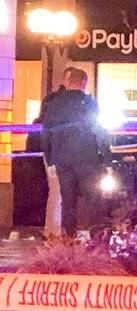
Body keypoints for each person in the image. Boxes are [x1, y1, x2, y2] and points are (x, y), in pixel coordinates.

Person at [38, 67, 108, 236]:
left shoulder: (54, 104)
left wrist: (49, 158)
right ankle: (96, 238)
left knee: (67, 202)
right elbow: (99, 131)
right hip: (88, 159)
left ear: (67, 82)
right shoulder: (90, 103)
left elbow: (46, 132)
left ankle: (69, 238)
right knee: (93, 200)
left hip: (62, 160)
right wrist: (107, 158)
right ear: (84, 83)